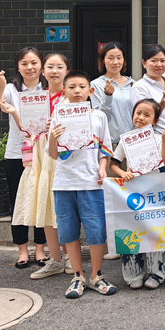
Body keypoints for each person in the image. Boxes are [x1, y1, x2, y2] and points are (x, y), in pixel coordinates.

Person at [47, 70, 117, 299]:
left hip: (91, 182)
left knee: (96, 231)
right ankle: (78, 276)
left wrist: (102, 168)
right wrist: (52, 138)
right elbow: (53, 154)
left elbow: (105, 148)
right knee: (68, 231)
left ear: (91, 91)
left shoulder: (99, 117)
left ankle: (96, 275)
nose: (77, 91)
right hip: (64, 183)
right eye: (71, 87)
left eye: (81, 87)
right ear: (64, 91)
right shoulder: (58, 116)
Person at [100, 98, 165, 289]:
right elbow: (113, 164)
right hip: (132, 192)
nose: (141, 117)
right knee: (131, 229)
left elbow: (163, 162)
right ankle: (132, 273)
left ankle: (157, 273)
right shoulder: (126, 139)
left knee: (154, 230)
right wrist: (122, 173)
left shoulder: (158, 138)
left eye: (147, 115)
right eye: (138, 113)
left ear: (155, 120)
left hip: (154, 191)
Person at [7, 52, 69, 279]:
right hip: (40, 159)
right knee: (45, 206)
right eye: (50, 67)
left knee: (63, 208)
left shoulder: (71, 96)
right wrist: (15, 113)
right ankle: (55, 260)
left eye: (59, 67)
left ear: (66, 71)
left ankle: (69, 257)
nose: (54, 71)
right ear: (43, 71)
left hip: (64, 158)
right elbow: (27, 130)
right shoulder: (36, 98)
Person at [0, 48, 48, 268]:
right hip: (17, 153)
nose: (30, 67)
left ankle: (40, 248)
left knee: (42, 200)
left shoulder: (48, 88)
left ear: (41, 66)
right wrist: (0, 85)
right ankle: (22, 250)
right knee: (18, 201)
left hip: (44, 153)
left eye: (34, 63)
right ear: (18, 67)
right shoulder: (11, 89)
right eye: (24, 63)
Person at [130, 44, 165, 136]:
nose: (159, 65)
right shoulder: (139, 87)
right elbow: (142, 119)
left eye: (162, 60)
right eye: (154, 61)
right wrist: (162, 103)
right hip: (158, 137)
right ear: (144, 63)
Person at [91, 42, 136, 147]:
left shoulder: (133, 84)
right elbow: (100, 117)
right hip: (111, 143)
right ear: (103, 60)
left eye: (119, 58)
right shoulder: (96, 84)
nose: (115, 62)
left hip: (133, 141)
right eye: (110, 58)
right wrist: (107, 96)